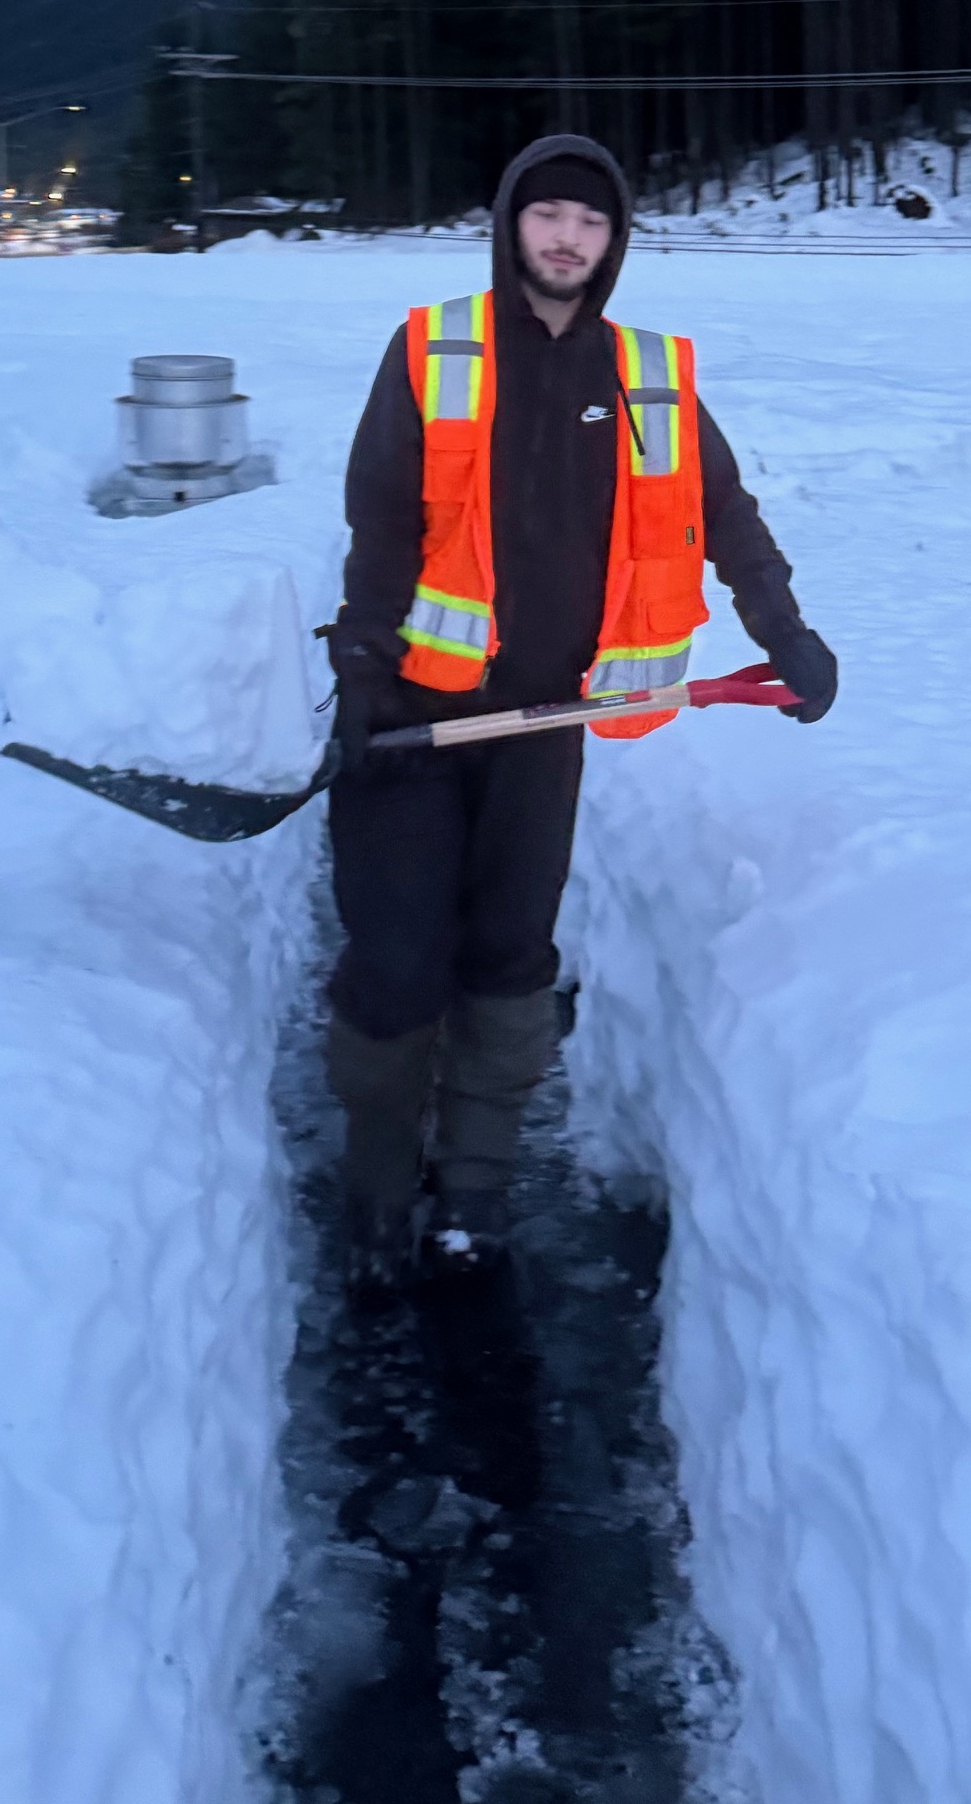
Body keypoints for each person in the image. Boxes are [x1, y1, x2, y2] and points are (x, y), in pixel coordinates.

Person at [323, 131, 837, 1289]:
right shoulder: (435, 348)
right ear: (511, 226)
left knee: (508, 956)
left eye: (591, 222)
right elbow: (380, 519)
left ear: (615, 244)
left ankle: (474, 1191)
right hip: (410, 719)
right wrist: (361, 669)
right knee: (398, 960)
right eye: (546, 215)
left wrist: (786, 632)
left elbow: (729, 514)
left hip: (543, 726)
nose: (566, 238)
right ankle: (372, 1177)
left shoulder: (646, 375)